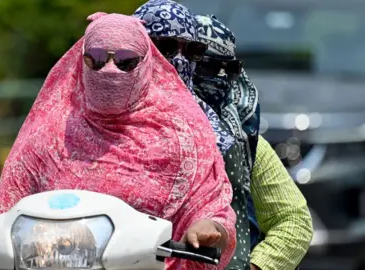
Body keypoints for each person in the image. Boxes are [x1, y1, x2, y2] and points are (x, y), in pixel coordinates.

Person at [0, 12, 237, 270]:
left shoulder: (183, 136)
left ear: (146, 64)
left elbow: (210, 208)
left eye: (125, 61)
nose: (109, 70)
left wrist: (210, 228)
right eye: (95, 59)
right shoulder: (50, 132)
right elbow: (6, 214)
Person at [133, 1, 313, 270]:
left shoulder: (241, 141)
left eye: (227, 69)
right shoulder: (111, 128)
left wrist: (253, 266)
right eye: (205, 65)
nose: (217, 77)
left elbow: (293, 219)